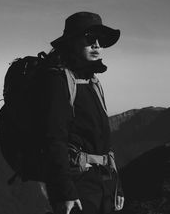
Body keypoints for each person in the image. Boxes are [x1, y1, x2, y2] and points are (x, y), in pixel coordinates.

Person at [39, 12, 124, 214]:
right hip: (77, 184)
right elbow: (54, 139)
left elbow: (102, 141)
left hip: (102, 183)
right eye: (89, 38)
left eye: (100, 40)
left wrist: (116, 186)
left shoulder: (91, 81)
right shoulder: (59, 80)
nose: (96, 45)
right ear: (72, 42)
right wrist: (66, 191)